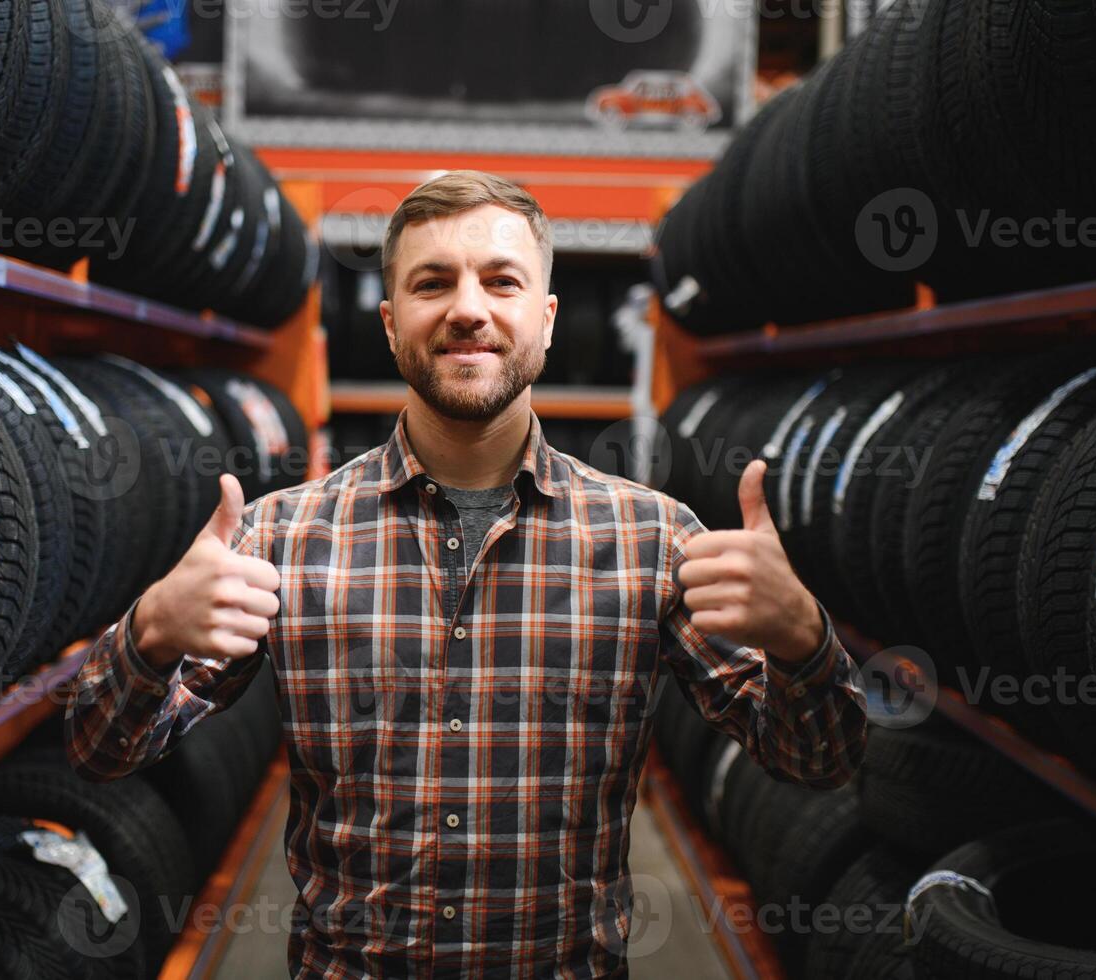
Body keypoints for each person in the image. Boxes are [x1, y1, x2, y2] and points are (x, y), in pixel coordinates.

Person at [65, 170, 867, 978]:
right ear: (388, 323)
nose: (468, 308)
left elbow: (817, 762)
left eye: (501, 281)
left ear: (546, 321)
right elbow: (102, 751)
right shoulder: (284, 535)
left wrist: (802, 639)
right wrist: (151, 632)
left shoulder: (651, 539)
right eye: (431, 283)